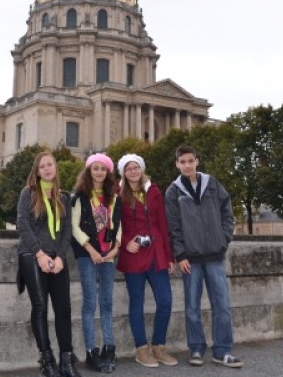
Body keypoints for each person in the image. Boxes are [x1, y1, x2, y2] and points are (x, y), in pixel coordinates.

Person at [164, 145, 244, 369]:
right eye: (183, 162)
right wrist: (180, 254)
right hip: (190, 259)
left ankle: (222, 351)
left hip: (215, 255)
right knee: (192, 307)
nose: (187, 165)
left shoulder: (213, 184)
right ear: (177, 164)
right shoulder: (173, 191)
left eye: (190, 161)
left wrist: (224, 238)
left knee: (222, 306)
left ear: (197, 161)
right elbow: (173, 227)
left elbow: (227, 211)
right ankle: (196, 348)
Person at [17, 151, 81, 377]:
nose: (46, 168)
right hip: (32, 254)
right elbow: (23, 225)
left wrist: (61, 257)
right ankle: (46, 359)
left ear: (55, 168)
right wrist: (40, 254)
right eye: (42, 166)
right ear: (37, 171)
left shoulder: (63, 197)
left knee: (64, 308)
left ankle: (66, 359)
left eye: (50, 164)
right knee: (41, 306)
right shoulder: (28, 193)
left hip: (57, 256)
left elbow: (67, 231)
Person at [116, 153, 178, 368]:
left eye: (136, 167)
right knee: (137, 302)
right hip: (133, 254)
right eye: (128, 168)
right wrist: (126, 242)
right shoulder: (117, 193)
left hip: (156, 253)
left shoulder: (154, 191)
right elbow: (114, 225)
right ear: (124, 173)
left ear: (142, 169)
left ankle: (159, 346)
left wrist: (169, 257)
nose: (133, 171)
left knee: (165, 300)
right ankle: (141, 349)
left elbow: (163, 223)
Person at [71, 153, 122, 373]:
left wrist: (116, 248)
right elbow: (74, 227)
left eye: (103, 169)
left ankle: (109, 348)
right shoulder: (79, 197)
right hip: (87, 255)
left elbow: (118, 224)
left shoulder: (114, 197)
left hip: (109, 255)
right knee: (90, 303)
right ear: (89, 171)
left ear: (108, 172)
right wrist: (90, 250)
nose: (99, 172)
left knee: (107, 303)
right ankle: (91, 351)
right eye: (95, 168)